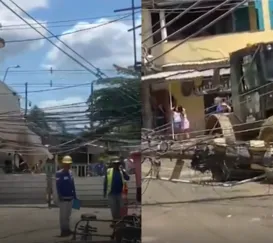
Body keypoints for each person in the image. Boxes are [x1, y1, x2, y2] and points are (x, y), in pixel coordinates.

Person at [103, 158, 130, 225]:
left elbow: (127, 178)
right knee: (114, 209)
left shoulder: (122, 171)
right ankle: (115, 221)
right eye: (115, 164)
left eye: (118, 164)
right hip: (111, 193)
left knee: (121, 208)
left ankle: (121, 221)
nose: (116, 165)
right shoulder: (109, 171)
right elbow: (105, 182)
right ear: (113, 164)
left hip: (121, 193)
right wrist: (104, 192)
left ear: (119, 164)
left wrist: (123, 172)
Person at [56, 155, 77, 237]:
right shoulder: (59, 174)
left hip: (70, 198)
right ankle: (63, 231)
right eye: (66, 164)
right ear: (63, 164)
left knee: (68, 215)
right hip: (63, 199)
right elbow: (58, 186)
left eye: (69, 164)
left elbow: (73, 185)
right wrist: (59, 195)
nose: (68, 166)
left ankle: (67, 229)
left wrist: (75, 196)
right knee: (63, 216)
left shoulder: (71, 173)